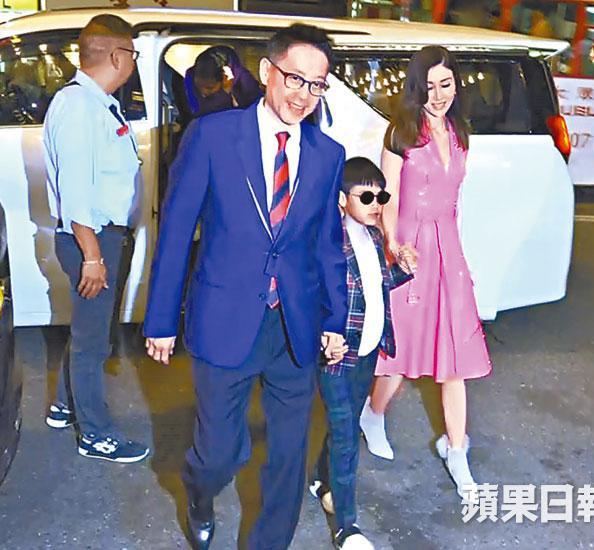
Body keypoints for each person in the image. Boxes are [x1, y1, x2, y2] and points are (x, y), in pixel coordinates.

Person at [144, 24, 348, 550]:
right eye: (295, 79)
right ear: (266, 71)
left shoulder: (328, 154)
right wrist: (161, 319)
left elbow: (327, 244)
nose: (304, 95)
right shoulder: (212, 136)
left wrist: (335, 318)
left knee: (288, 458)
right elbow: (175, 230)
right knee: (217, 455)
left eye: (317, 85)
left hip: (295, 325)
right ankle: (199, 492)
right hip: (224, 317)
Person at [359, 46, 492, 501]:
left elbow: (454, 200)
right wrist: (394, 245)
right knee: (400, 357)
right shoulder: (401, 133)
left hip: (448, 250)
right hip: (410, 251)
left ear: (457, 85)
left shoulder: (459, 132)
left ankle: (457, 450)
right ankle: (373, 413)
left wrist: (457, 254)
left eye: (446, 84)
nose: (438, 95)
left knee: (455, 358)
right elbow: (388, 197)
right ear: (416, 88)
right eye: (429, 86)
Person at [42, 14, 148, 463]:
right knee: (91, 343)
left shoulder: (96, 102)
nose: (133, 64)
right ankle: (95, 435)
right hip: (92, 240)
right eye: (133, 55)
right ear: (118, 55)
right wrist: (92, 256)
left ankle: (66, 404)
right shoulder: (78, 107)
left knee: (90, 331)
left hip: (101, 238)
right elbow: (76, 193)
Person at [309, 157, 414, 550]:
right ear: (342, 199)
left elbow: (377, 285)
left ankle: (320, 480)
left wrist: (405, 269)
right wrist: (324, 335)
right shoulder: (329, 242)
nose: (376, 204)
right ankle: (346, 527)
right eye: (365, 197)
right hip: (337, 356)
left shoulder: (372, 236)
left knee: (347, 424)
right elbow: (314, 294)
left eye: (381, 197)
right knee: (346, 436)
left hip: (367, 351)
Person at [184, 45, 261, 119]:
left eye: (209, 88)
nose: (203, 93)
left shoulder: (244, 81)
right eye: (198, 87)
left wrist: (225, 92)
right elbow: (197, 114)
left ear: (225, 77)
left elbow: (256, 112)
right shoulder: (190, 76)